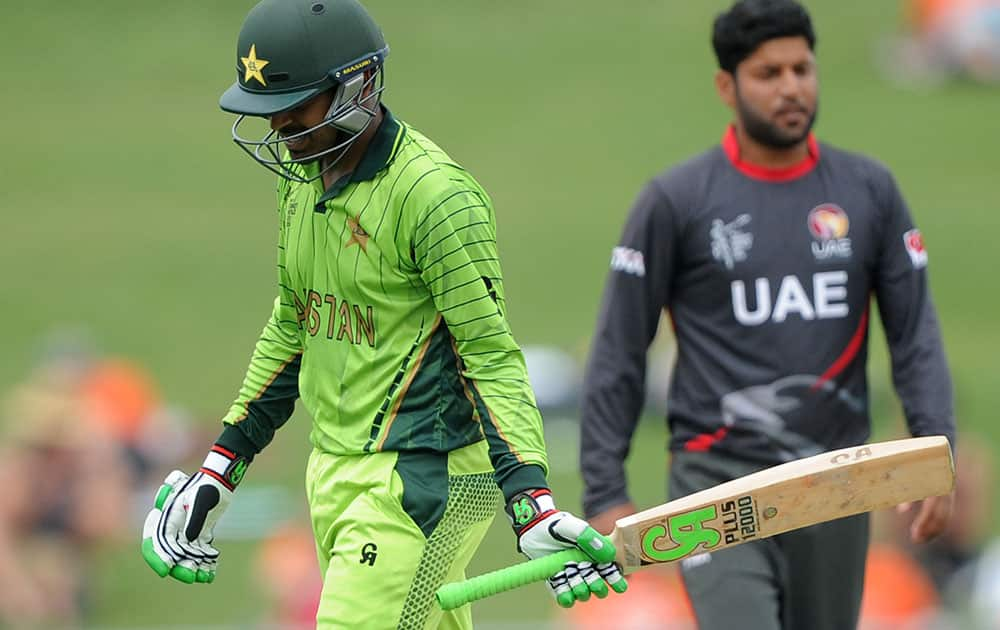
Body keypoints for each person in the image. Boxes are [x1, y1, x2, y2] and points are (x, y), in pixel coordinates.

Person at [139, 1, 625, 628]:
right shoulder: (304, 174)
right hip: (335, 467)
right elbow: (296, 326)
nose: (282, 130)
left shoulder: (435, 199)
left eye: (298, 109)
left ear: (359, 85)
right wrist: (221, 467)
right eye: (271, 114)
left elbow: (491, 358)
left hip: (425, 473)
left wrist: (531, 500)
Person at [578, 1, 956, 629]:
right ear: (727, 86)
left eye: (802, 68)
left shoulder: (869, 192)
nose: (791, 87)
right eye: (768, 72)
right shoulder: (677, 201)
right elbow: (619, 349)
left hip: (836, 481)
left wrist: (932, 450)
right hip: (716, 485)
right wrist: (604, 491)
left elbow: (915, 335)